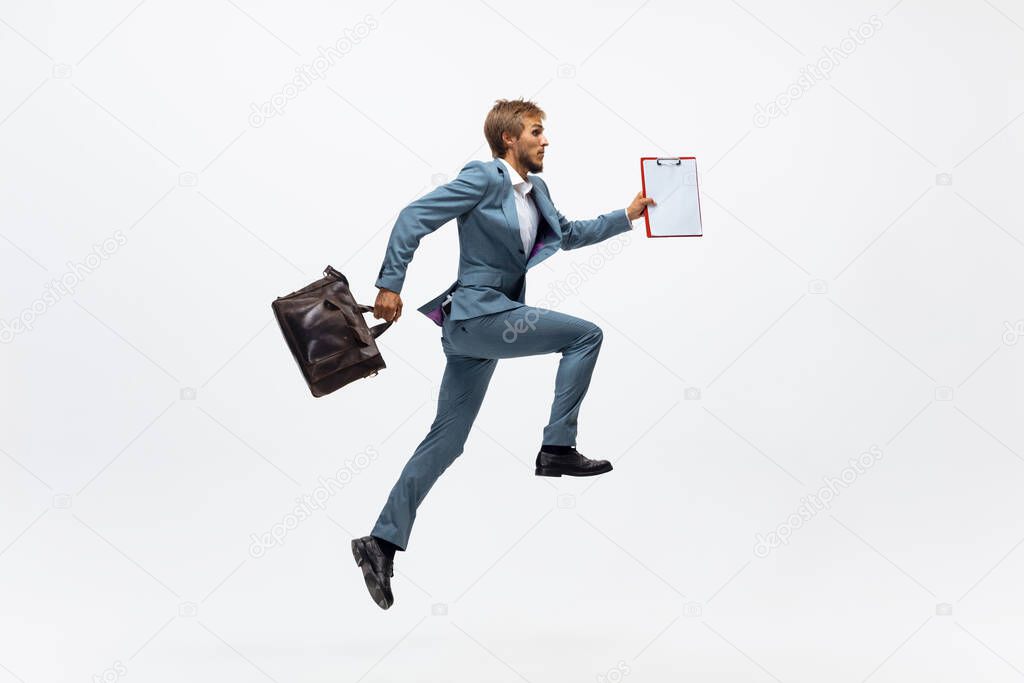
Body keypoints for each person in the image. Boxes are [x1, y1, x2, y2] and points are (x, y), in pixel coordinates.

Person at [351, 98, 655, 609]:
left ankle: (379, 542)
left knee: (447, 442)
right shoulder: (484, 178)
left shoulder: (536, 190)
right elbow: (413, 217)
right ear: (509, 139)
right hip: (479, 315)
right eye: (537, 131)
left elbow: (570, 233)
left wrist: (628, 215)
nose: (546, 140)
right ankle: (557, 447)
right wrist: (390, 284)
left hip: (485, 327)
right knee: (584, 335)